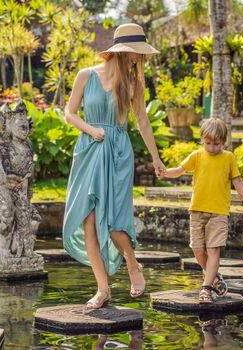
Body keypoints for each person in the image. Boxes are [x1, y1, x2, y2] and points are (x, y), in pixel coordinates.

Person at [62, 23, 165, 311]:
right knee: (89, 220)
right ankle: (102, 288)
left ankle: (133, 264)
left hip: (118, 152)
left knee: (115, 221)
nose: (138, 59)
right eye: (135, 53)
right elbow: (69, 113)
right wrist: (90, 130)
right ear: (122, 52)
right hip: (88, 151)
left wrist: (156, 157)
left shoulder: (134, 84)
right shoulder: (86, 75)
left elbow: (142, 121)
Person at [163, 118, 243, 303]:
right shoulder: (197, 155)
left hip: (219, 212)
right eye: (208, 143)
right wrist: (165, 172)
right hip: (197, 211)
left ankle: (206, 288)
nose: (212, 147)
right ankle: (215, 278)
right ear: (202, 139)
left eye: (216, 144)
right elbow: (179, 170)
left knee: (213, 249)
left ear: (223, 141)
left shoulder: (228, 158)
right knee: (198, 249)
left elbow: (237, 181)